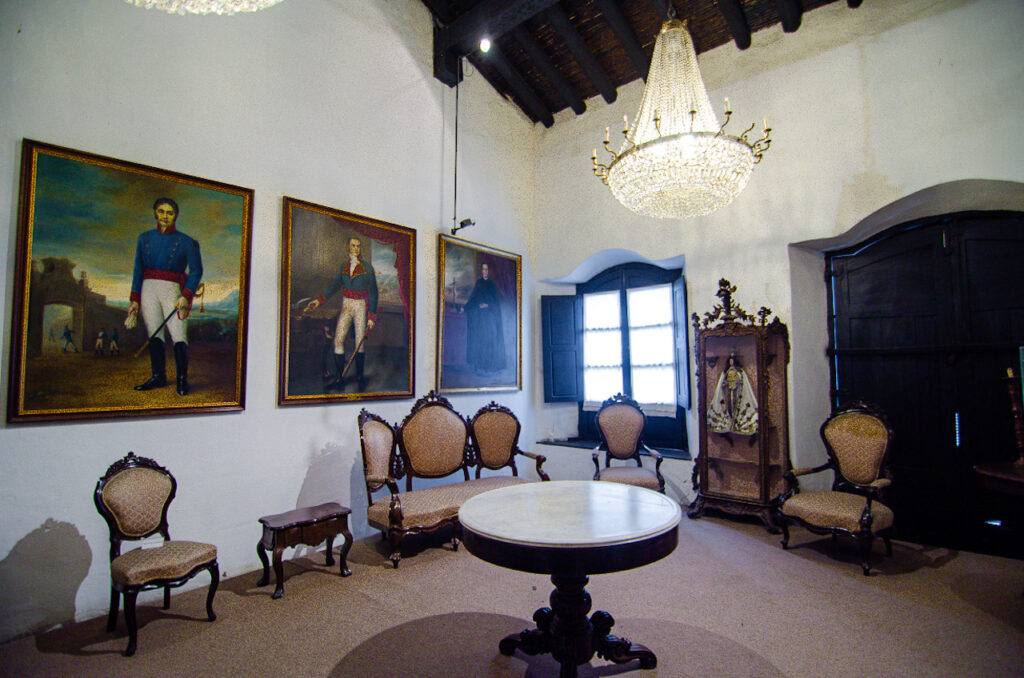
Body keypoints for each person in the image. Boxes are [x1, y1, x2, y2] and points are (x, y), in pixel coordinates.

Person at [126, 198, 203, 396]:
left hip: (172, 290)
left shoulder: (188, 242)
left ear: (175, 215)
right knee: (154, 333)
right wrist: (135, 299)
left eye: (169, 212)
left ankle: (182, 380)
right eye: (161, 211)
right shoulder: (144, 238)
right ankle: (158, 376)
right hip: (148, 289)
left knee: (178, 335)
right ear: (155, 213)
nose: (165, 216)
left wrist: (186, 295)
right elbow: (138, 269)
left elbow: (196, 271)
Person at [303, 237, 377, 391]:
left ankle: (360, 377)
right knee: (338, 340)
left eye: (358, 246)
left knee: (359, 342)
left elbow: (373, 293)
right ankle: (339, 377)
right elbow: (334, 285)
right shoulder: (344, 266)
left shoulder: (368, 268)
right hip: (346, 304)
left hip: (360, 306)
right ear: (348, 247)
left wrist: (371, 316)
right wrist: (318, 301)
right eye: (353, 246)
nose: (356, 249)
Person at [464, 262, 506, 374]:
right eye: (483, 269)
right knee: (480, 341)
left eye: (486, 269)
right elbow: (473, 299)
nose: (485, 271)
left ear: (489, 271)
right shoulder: (479, 283)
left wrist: (487, 305)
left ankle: (489, 367)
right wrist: (467, 307)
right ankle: (479, 366)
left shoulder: (492, 284)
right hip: (480, 318)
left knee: (489, 341)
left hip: (490, 318)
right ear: (481, 271)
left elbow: (496, 303)